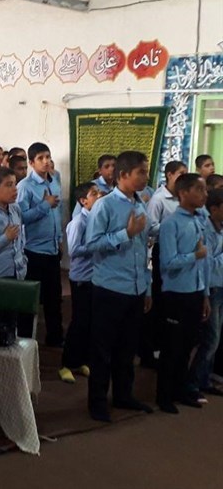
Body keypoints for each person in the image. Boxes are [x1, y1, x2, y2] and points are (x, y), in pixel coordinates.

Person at [85, 151, 155, 422]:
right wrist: (126, 233)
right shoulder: (105, 206)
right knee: (103, 350)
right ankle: (97, 402)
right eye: (141, 172)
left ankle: (124, 395)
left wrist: (146, 287)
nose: (146, 177)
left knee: (127, 349)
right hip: (110, 288)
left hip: (135, 288)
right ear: (124, 175)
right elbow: (91, 244)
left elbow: (144, 248)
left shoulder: (140, 204)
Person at [157, 173, 211, 413]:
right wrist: (194, 255)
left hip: (195, 291)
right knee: (172, 347)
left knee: (188, 345)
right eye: (199, 190)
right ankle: (164, 396)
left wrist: (205, 294)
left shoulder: (200, 219)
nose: (205, 195)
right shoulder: (171, 223)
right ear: (183, 193)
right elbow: (168, 263)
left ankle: (180, 390)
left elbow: (204, 263)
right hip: (176, 294)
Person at [16, 142, 63, 346]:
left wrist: (59, 239)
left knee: (54, 298)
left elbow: (57, 214)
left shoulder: (54, 181)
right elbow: (21, 217)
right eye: (40, 158)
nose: (46, 161)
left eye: (48, 157)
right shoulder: (25, 187)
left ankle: (55, 338)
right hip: (33, 251)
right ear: (31, 162)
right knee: (30, 298)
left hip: (52, 249)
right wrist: (45, 205)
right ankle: (26, 341)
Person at [143, 160, 188, 368]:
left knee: (172, 301)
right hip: (162, 250)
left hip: (179, 251)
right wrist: (173, 228)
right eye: (180, 173)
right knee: (160, 299)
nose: (183, 177)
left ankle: (165, 344)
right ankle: (152, 348)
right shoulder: (159, 199)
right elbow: (151, 227)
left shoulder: (182, 197)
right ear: (169, 175)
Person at [59, 182, 101, 384]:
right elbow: (74, 250)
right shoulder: (78, 222)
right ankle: (66, 364)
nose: (99, 196)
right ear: (84, 201)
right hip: (81, 278)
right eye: (94, 194)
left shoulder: (96, 219)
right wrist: (99, 245)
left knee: (91, 323)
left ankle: (82, 360)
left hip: (95, 277)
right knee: (79, 322)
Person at [188, 188, 223, 398]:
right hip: (211, 288)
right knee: (211, 338)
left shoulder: (220, 229)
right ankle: (192, 382)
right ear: (214, 209)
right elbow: (206, 263)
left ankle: (204, 378)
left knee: (215, 339)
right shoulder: (205, 230)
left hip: (221, 286)